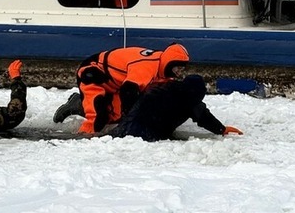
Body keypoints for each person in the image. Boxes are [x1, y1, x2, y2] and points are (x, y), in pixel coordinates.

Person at [53, 43, 190, 134]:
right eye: (177, 68)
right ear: (169, 63)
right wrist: (131, 117)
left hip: (116, 82)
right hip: (95, 73)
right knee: (98, 119)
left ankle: (79, 104)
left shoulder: (164, 71)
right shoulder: (148, 66)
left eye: (181, 69)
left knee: (114, 117)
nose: (179, 73)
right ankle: (81, 140)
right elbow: (128, 91)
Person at [109, 74, 243, 141]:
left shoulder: (167, 87)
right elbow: (204, 117)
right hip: (147, 133)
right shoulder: (190, 98)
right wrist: (222, 129)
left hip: (127, 124)